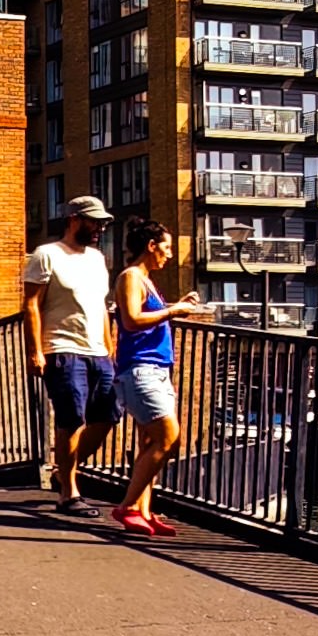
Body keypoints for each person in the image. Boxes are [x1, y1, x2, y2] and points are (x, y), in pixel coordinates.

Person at [107, 218, 207, 538]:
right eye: (166, 247)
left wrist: (177, 306)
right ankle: (127, 507)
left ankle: (144, 512)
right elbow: (132, 320)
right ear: (151, 246)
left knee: (150, 444)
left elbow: (148, 316)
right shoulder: (130, 277)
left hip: (157, 370)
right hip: (140, 370)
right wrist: (173, 311)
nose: (169, 254)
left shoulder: (146, 280)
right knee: (168, 437)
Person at [23, 195, 116, 514]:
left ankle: (63, 471)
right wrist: (35, 351)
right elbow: (31, 305)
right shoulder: (46, 254)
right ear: (74, 219)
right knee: (72, 419)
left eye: (102, 224)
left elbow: (101, 306)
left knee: (107, 416)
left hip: (98, 352)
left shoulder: (97, 259)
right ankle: (69, 493)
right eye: (94, 222)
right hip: (62, 349)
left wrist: (109, 346)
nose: (99, 228)